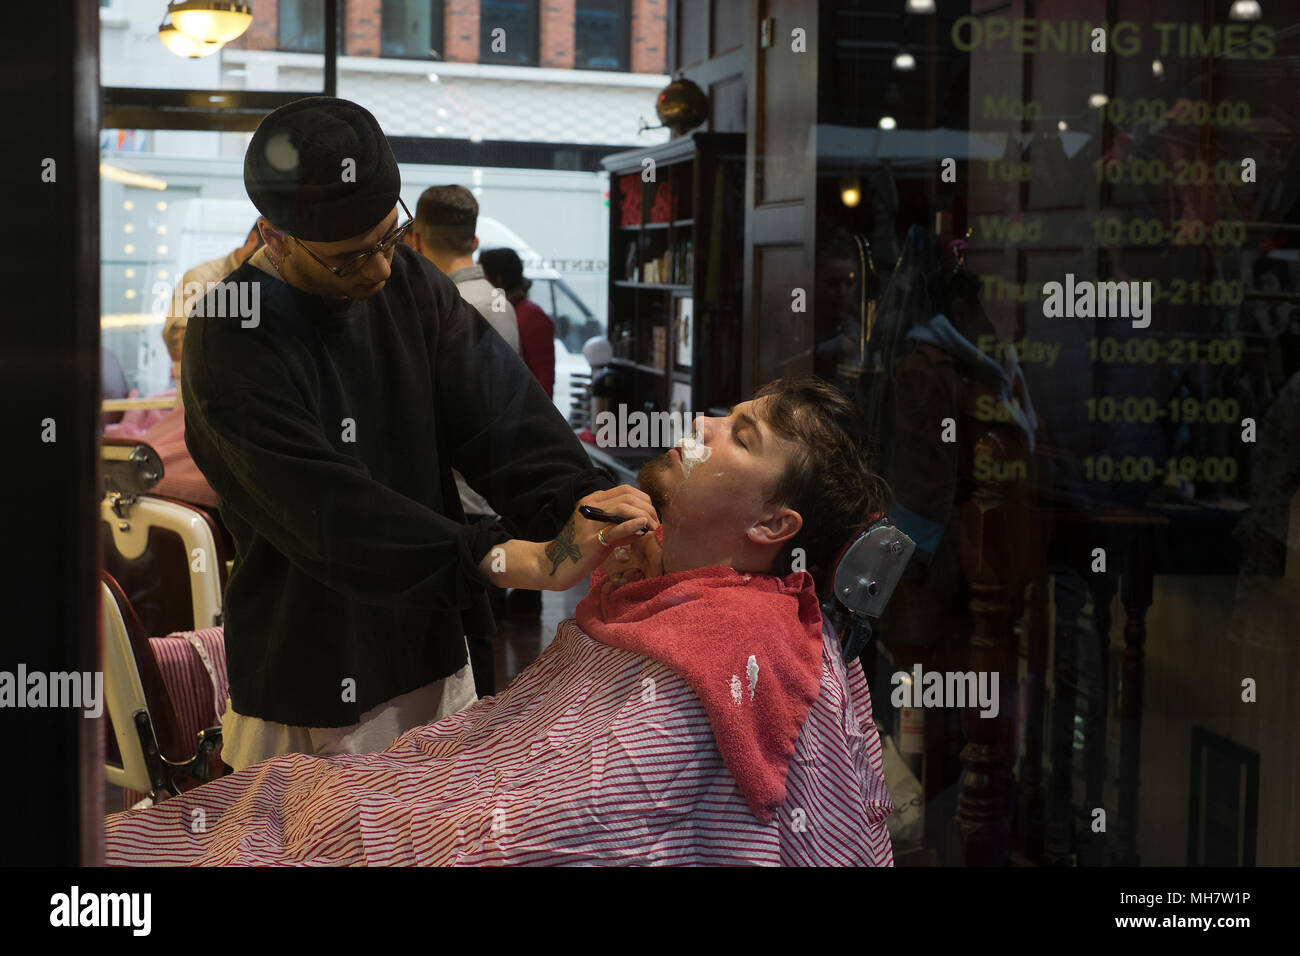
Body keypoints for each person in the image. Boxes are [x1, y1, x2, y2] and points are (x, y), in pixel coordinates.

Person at [105, 376, 895, 866]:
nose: (707, 425)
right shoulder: (667, 588)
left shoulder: (733, 642)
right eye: (728, 413)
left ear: (771, 528)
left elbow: (560, 825)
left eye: (740, 435)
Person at [182, 96, 657, 772]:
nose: (379, 269)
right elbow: (326, 512)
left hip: (433, 646)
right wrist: (499, 557)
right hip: (311, 670)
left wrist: (584, 504)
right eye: (348, 260)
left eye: (388, 236)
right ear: (275, 236)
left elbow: (504, 418)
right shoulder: (232, 334)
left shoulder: (409, 283)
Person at [406, 186, 523, 683]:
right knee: (483, 628)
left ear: (415, 240)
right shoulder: (499, 300)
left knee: (462, 640)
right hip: (494, 489)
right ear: (473, 240)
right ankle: (487, 741)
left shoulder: (440, 303)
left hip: (455, 496)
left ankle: (467, 746)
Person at [479, 247, 555, 398]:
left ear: (498, 279)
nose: (480, 283)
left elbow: (544, 379)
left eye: (483, 276)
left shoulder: (532, 316)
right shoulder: (498, 310)